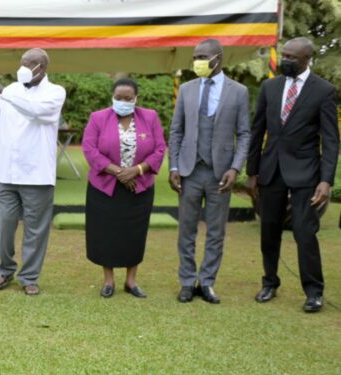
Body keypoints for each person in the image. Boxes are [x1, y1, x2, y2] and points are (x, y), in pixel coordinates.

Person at [246, 37, 339, 313]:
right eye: (283, 55)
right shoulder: (270, 87)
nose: (285, 60)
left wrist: (326, 179)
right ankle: (269, 282)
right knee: (269, 230)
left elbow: (331, 140)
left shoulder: (324, 91)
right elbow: (257, 131)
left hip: (307, 173)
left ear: (307, 59)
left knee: (304, 231)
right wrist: (252, 172)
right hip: (271, 170)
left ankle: (314, 292)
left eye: (291, 57)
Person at [0, 48, 66, 296]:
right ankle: (5, 269)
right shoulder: (11, 90)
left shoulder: (55, 92)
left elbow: (35, 111)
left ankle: (29, 276)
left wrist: (3, 91)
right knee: (4, 227)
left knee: (35, 229)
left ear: (41, 68)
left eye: (29, 64)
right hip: (5, 172)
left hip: (36, 173)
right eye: (21, 63)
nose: (23, 68)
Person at [168, 39, 251, 304]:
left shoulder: (238, 91)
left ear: (219, 59)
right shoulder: (187, 89)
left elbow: (245, 133)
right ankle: (186, 281)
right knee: (186, 230)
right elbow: (176, 130)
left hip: (221, 174)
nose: (198, 61)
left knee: (216, 231)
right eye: (195, 57)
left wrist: (235, 168)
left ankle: (207, 282)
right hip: (190, 170)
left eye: (203, 56)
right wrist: (174, 166)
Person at [82, 78, 166, 298]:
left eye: (128, 98)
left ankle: (131, 281)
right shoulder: (98, 118)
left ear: (136, 98)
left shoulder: (150, 117)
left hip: (139, 187)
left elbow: (159, 149)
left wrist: (137, 170)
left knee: (134, 234)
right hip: (105, 187)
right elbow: (90, 149)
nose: (123, 101)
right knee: (105, 233)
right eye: (118, 98)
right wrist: (119, 172)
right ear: (112, 96)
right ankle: (108, 281)